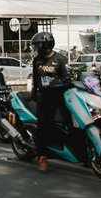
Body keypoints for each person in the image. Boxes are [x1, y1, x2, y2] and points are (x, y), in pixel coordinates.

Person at [30, 32, 71, 174]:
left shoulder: (60, 59)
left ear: (47, 44)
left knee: (71, 124)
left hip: (60, 98)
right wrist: (34, 94)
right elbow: (35, 79)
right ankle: (42, 157)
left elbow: (67, 78)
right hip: (44, 99)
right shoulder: (37, 60)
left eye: (38, 45)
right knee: (43, 126)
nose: (37, 48)